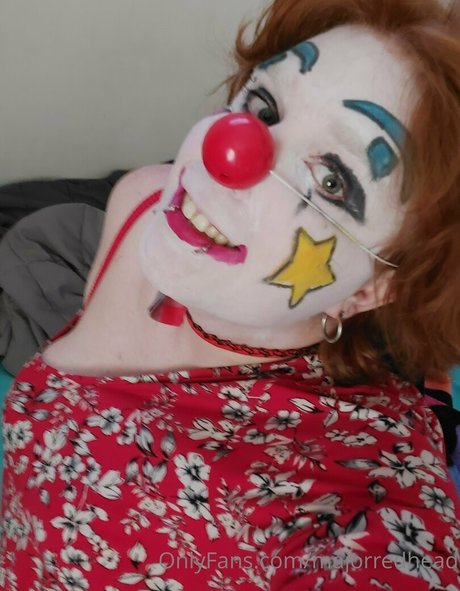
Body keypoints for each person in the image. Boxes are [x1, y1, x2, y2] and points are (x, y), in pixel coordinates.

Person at [1, 0, 460, 589]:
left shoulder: (361, 494)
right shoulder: (144, 204)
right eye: (265, 106)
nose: (229, 154)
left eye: (331, 180)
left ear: (374, 288)